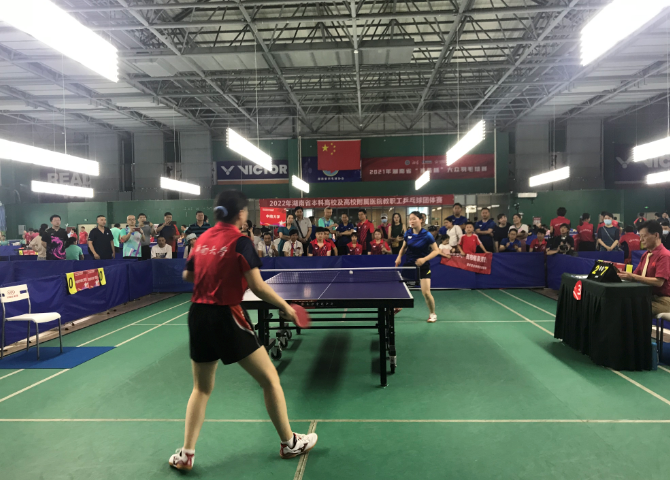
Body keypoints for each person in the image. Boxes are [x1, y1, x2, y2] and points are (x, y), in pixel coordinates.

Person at [168, 190, 317, 471]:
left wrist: (213, 272)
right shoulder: (241, 242)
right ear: (241, 214)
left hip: (198, 314)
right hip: (227, 315)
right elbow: (257, 287)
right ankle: (289, 443)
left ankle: (186, 454)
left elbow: (188, 274)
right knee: (270, 380)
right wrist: (286, 308)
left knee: (201, 388)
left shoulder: (203, 238)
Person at [395, 211, 440, 323]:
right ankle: (398, 307)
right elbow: (404, 247)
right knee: (401, 290)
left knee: (426, 292)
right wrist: (399, 257)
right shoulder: (407, 233)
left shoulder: (427, 235)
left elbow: (436, 251)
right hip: (409, 265)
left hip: (423, 266)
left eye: (414, 218)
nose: (411, 221)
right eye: (410, 219)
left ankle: (433, 313)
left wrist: (424, 259)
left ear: (421, 220)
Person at [617, 221, 670, 316]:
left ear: (656, 235)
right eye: (640, 236)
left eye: (644, 236)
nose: (641, 240)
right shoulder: (646, 255)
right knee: (622, 303)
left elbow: (659, 282)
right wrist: (619, 274)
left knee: (635, 309)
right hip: (648, 296)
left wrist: (633, 277)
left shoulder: (664, 255)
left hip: (664, 299)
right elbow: (634, 275)